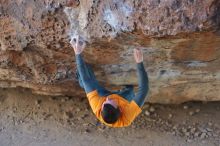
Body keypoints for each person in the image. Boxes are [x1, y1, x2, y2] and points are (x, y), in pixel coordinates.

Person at [70, 36, 149, 128]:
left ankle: (80, 82)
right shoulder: (127, 116)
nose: (108, 99)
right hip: (123, 98)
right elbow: (144, 90)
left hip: (101, 95)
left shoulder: (97, 106)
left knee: (86, 76)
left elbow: (86, 80)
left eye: (105, 103)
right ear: (120, 108)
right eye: (110, 101)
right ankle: (126, 91)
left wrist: (78, 53)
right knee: (130, 91)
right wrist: (139, 62)